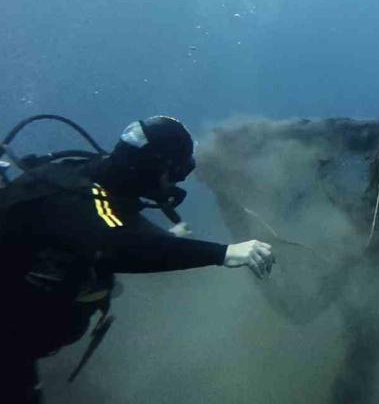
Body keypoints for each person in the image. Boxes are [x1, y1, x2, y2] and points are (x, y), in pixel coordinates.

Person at [0, 115, 275, 403]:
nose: (175, 184)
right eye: (176, 173)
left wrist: (167, 239)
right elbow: (120, 244)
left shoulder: (84, 175)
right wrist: (224, 253)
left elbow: (122, 225)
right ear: (154, 167)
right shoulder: (82, 202)